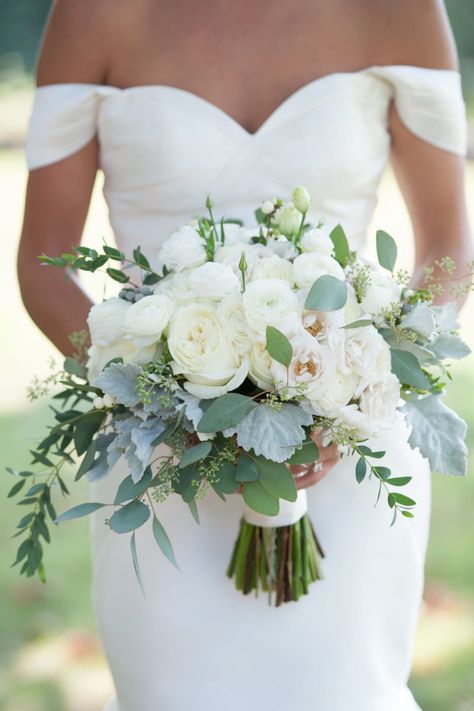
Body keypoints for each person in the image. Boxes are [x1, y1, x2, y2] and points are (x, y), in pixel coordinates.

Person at [18, 1, 472, 710]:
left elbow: (448, 249)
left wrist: (351, 391)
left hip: (346, 457)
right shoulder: (96, 12)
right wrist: (166, 403)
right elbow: (43, 266)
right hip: (163, 469)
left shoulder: (400, 9)